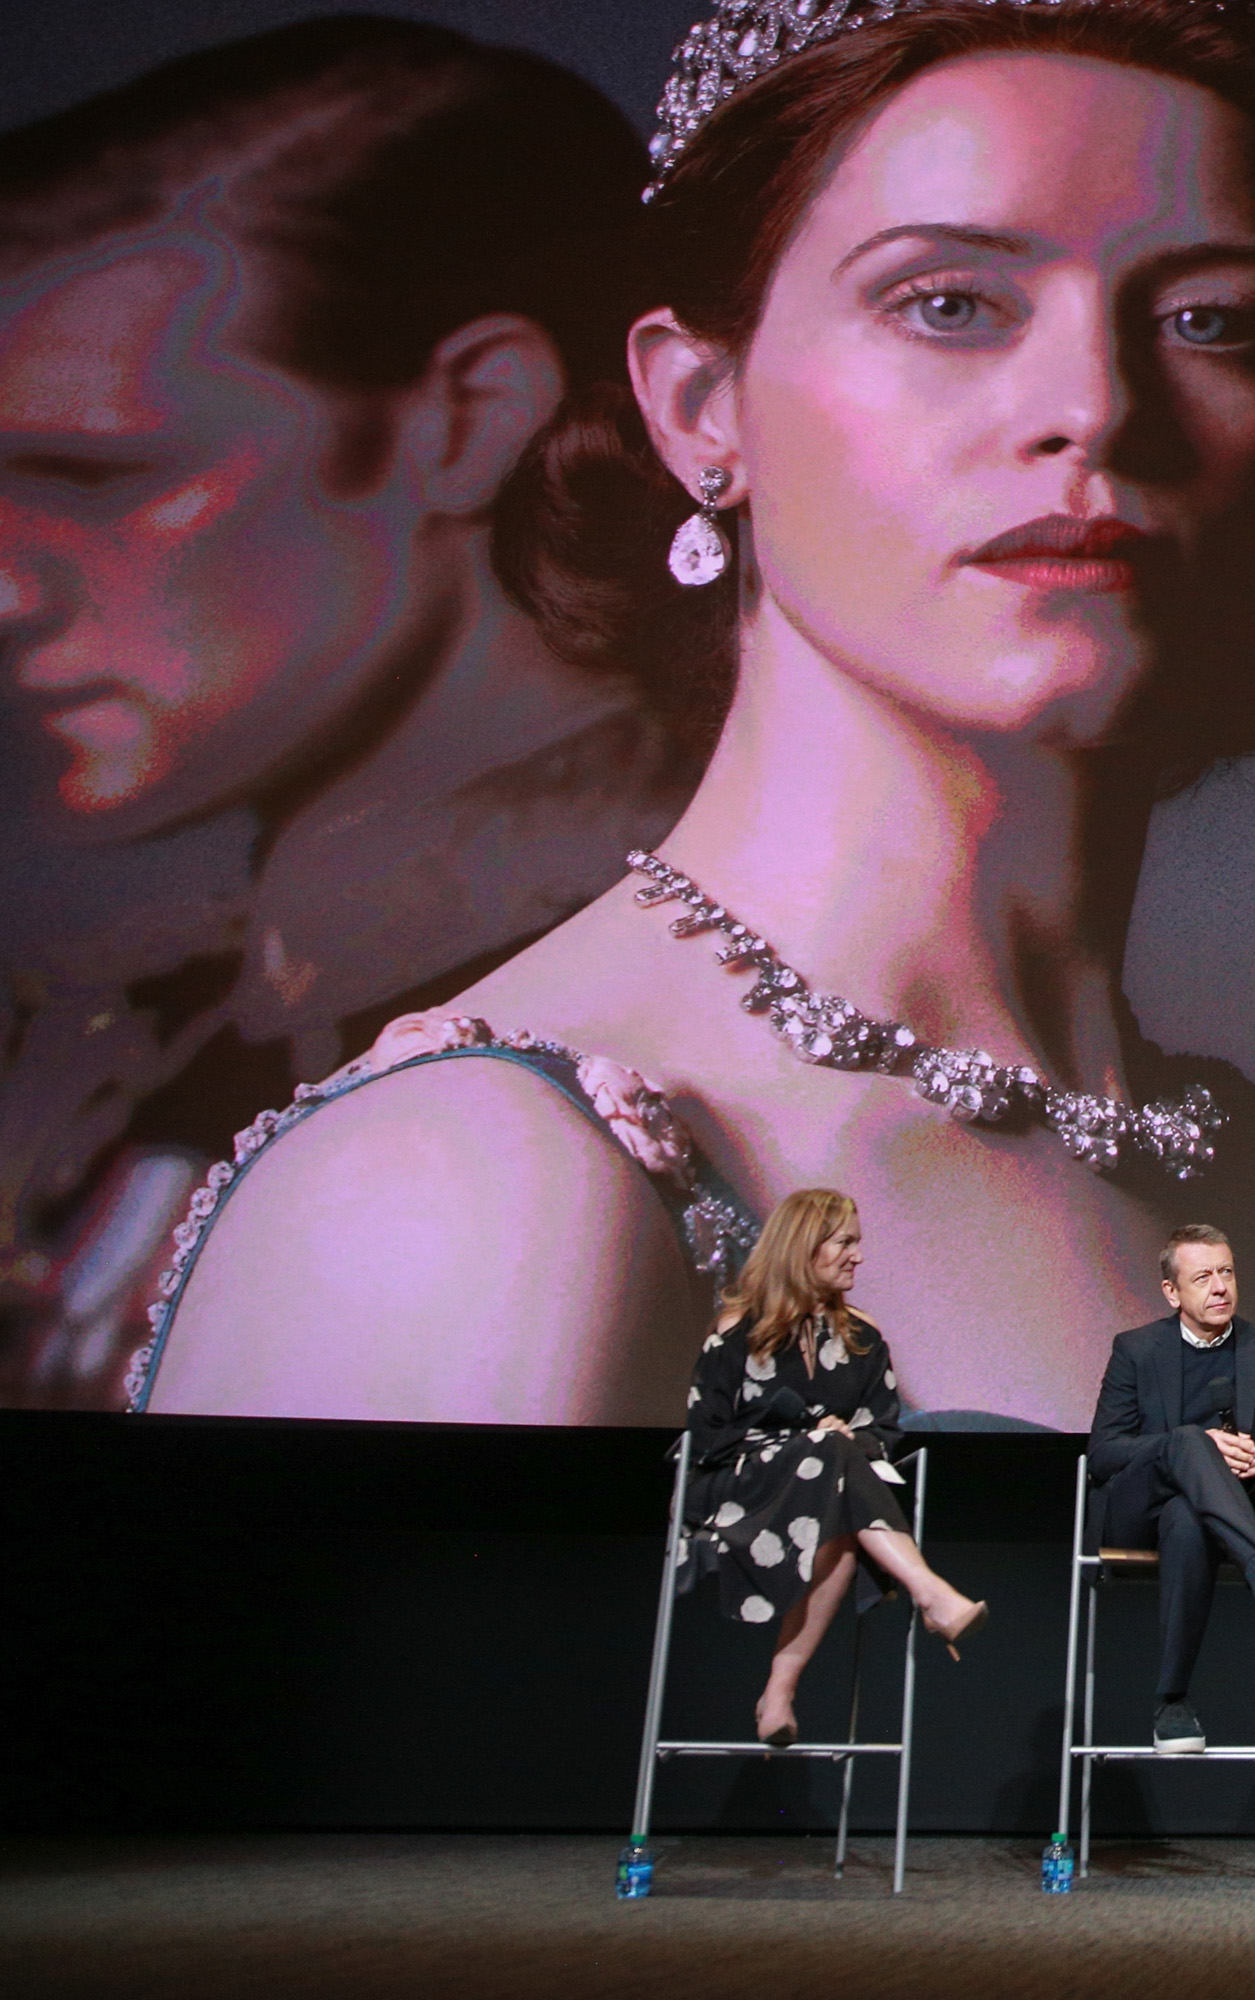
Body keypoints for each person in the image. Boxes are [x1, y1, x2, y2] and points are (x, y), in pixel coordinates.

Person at [130, 0, 1255, 1431]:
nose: (1096, 408)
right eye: (950, 302)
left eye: (1213, 320)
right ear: (701, 404)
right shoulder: (480, 1179)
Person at [0, 18, 692, 1413]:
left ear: (467, 418)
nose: (8, 587)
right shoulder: (114, 1041)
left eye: (92, 472)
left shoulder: (671, 1026)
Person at [683, 1187, 987, 1748]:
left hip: (828, 1498)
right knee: (829, 1457)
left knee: (840, 1502)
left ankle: (779, 1693)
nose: (858, 1256)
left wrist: (844, 1441)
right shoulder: (735, 1333)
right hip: (737, 1493)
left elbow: (883, 1429)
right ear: (804, 1247)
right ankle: (928, 1592)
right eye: (845, 1242)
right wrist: (805, 1440)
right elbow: (709, 1437)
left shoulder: (863, 1338)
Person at [1086, 1222, 1255, 1753]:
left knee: (1187, 1520)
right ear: (1172, 1292)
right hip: (1136, 1512)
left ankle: (1172, 1701)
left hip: (1207, 1521)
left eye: (1227, 1272)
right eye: (1203, 1277)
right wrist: (1184, 1446)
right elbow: (1102, 1454)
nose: (1220, 1287)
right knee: (1189, 1442)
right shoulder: (1136, 1349)